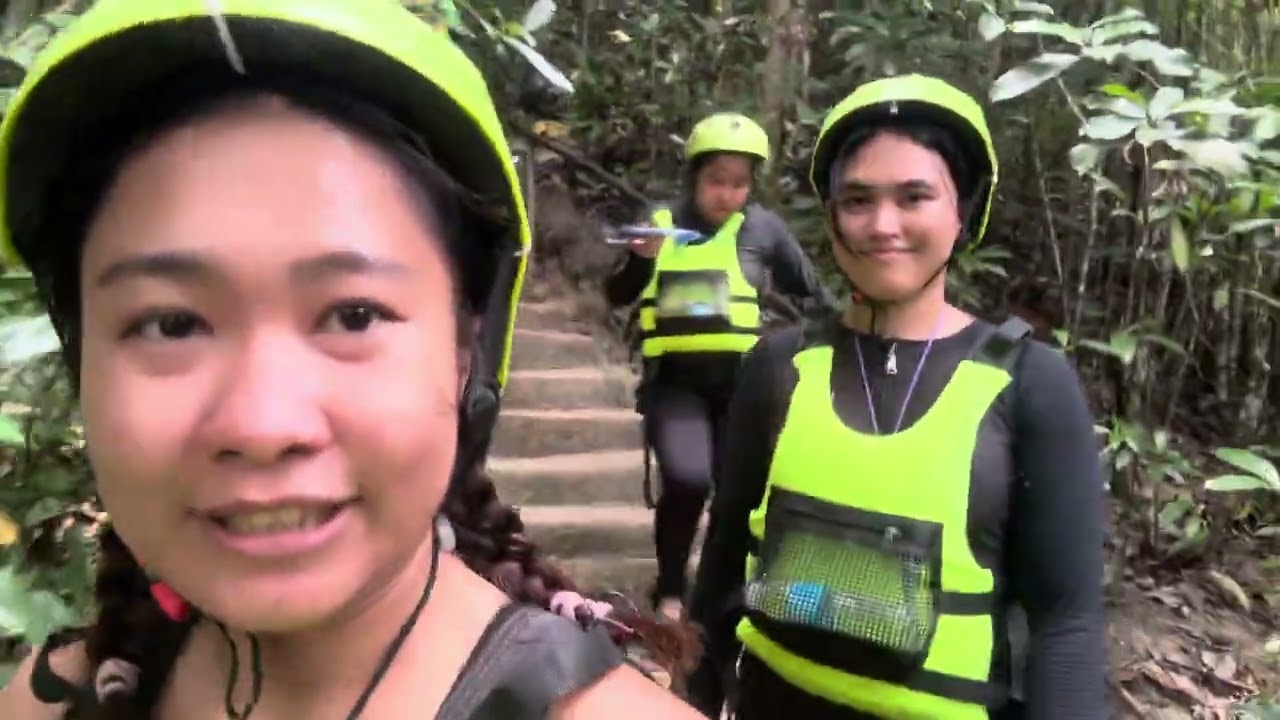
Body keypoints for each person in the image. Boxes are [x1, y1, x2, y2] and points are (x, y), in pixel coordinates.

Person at [0, 1, 705, 718]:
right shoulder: (51, 701)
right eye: (172, 324)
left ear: (465, 353)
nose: (262, 425)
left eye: (353, 315)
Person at [685, 75, 1107, 719]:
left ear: (962, 211)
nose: (883, 226)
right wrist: (695, 693)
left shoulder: (1030, 384)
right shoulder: (778, 366)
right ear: (832, 215)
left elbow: (1066, 622)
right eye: (858, 200)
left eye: (915, 197)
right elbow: (723, 563)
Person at [605, 112, 835, 621]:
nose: (727, 194)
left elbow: (815, 294)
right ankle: (670, 589)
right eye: (716, 180)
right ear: (694, 177)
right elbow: (617, 294)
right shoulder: (659, 224)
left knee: (740, 493)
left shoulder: (763, 229)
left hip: (744, 388)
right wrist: (641, 259)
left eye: (738, 183)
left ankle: (721, 595)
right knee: (688, 479)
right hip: (675, 385)